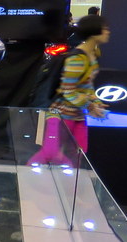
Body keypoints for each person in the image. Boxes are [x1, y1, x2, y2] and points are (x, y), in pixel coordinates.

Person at [28, 15, 110, 165]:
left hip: (78, 115)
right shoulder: (77, 59)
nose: (108, 32)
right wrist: (90, 106)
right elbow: (68, 91)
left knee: (78, 155)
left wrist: (96, 102)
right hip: (60, 115)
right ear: (94, 32)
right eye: (104, 28)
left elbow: (86, 86)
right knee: (50, 154)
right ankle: (29, 175)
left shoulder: (91, 56)